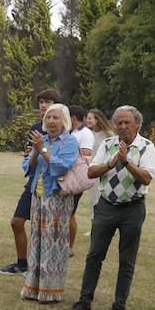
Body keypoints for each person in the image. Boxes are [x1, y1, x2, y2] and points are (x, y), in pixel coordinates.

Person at [64, 105, 155, 310]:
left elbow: (146, 178)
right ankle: (84, 301)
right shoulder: (107, 145)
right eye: (120, 123)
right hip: (106, 205)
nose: (123, 126)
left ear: (137, 124)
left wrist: (126, 162)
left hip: (133, 208)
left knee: (127, 260)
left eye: (127, 122)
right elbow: (91, 171)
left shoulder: (146, 147)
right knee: (94, 255)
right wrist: (111, 163)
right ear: (114, 124)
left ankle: (118, 307)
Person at [19, 103, 80, 303]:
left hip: (57, 199)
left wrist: (42, 149)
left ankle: (50, 290)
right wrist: (37, 150)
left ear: (65, 121)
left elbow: (62, 166)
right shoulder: (42, 139)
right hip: (37, 197)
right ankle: (33, 287)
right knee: (37, 240)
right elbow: (27, 166)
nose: (51, 121)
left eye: (55, 117)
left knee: (53, 243)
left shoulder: (69, 142)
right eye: (48, 118)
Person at [0, 88, 61, 275]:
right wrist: (31, 153)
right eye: (41, 102)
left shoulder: (64, 131)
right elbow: (29, 156)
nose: (43, 105)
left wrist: (41, 150)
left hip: (53, 185)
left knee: (45, 229)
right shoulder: (35, 128)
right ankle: (22, 263)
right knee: (17, 222)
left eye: (47, 102)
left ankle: (43, 267)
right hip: (34, 181)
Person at [67, 105, 96, 255]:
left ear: (72, 118)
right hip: (67, 177)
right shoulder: (73, 132)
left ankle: (70, 248)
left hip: (76, 178)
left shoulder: (85, 133)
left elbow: (85, 155)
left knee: (70, 213)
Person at [84, 108, 115, 212]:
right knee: (93, 199)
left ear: (97, 119)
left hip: (106, 169)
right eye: (87, 118)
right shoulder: (88, 134)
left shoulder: (109, 134)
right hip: (93, 170)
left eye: (90, 118)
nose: (87, 120)